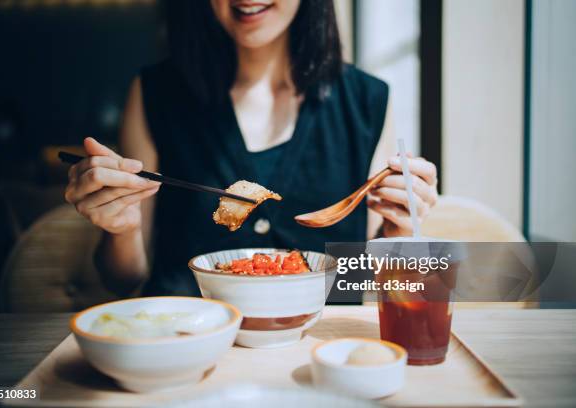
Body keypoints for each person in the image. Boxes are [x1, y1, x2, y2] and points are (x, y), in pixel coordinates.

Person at [64, 0, 438, 297]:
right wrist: (121, 227)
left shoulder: (365, 102)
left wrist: (398, 235)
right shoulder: (155, 93)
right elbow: (123, 280)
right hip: (187, 343)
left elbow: (367, 279)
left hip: (315, 349)